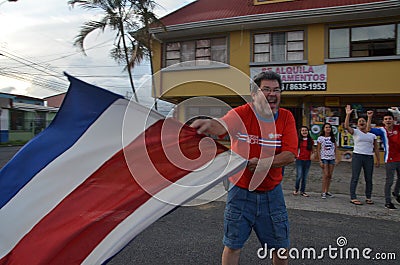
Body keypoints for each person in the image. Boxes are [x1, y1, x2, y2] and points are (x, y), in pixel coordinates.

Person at [191, 71, 297, 265]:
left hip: (272, 194)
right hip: (240, 191)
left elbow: (290, 155)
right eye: (266, 89)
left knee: (280, 247)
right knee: (233, 245)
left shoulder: (286, 117)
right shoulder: (241, 113)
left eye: (276, 90)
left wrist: (263, 163)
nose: (272, 94)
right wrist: (207, 124)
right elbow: (222, 125)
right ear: (254, 94)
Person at [344, 105, 380, 205]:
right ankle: (353, 197)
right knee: (355, 177)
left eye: (363, 121)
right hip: (357, 156)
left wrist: (378, 159)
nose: (361, 122)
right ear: (357, 124)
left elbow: (376, 148)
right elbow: (346, 126)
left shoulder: (372, 135)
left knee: (369, 178)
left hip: (369, 157)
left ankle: (368, 197)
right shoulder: (355, 132)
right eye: (359, 121)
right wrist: (348, 115)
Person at [368, 108, 400, 210]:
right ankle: (388, 201)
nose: (388, 120)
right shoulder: (382, 130)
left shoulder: (398, 128)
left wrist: (398, 112)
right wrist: (369, 117)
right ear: (383, 121)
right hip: (390, 159)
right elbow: (368, 129)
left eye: (389, 119)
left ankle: (396, 192)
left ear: (393, 120)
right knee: (389, 181)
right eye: (386, 119)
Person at [316, 123, 339, 199]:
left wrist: (337, 158)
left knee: (329, 175)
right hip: (324, 158)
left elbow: (335, 148)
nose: (328, 129)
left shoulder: (333, 138)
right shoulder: (320, 138)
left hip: (331, 158)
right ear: (323, 129)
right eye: (326, 127)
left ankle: (327, 191)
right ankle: (323, 191)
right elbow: (318, 150)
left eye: (329, 127)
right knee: (325, 175)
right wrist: (320, 160)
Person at [293, 126, 314, 197]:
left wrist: (313, 155)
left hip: (308, 160)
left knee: (305, 177)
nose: (304, 132)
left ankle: (303, 191)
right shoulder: (298, 140)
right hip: (299, 160)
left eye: (306, 130)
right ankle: (296, 189)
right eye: (303, 130)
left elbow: (312, 150)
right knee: (299, 175)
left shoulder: (310, 140)